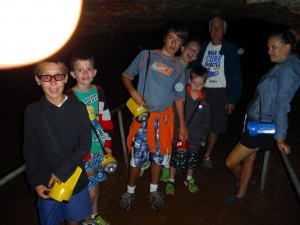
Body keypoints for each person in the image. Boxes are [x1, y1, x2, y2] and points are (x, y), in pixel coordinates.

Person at [119, 21, 189, 211]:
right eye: (171, 37)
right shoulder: (147, 55)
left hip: (164, 121)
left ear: (182, 44)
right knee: (137, 157)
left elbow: (179, 97)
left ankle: (153, 190)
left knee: (159, 157)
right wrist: (133, 92)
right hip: (143, 119)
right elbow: (126, 75)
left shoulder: (179, 68)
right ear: (164, 38)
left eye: (178, 40)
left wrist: (182, 124)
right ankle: (129, 192)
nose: (173, 43)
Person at [224, 29, 300, 205]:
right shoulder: (283, 66)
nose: (269, 51)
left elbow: (282, 102)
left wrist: (280, 137)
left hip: (262, 125)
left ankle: (240, 179)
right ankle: (241, 195)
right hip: (258, 121)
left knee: (230, 162)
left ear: (287, 47)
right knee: (249, 159)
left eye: (274, 47)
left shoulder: (288, 69)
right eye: (268, 47)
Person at [23, 58, 92, 225]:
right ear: (38, 80)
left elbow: (85, 144)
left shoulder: (79, 108)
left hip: (75, 180)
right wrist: (36, 181)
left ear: (66, 77)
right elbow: (29, 150)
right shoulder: (33, 111)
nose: (53, 82)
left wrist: (62, 171)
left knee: (74, 220)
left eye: (58, 76)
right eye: (46, 77)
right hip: (46, 181)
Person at [65, 52, 113, 225]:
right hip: (84, 152)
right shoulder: (69, 96)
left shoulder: (99, 91)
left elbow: (105, 117)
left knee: (96, 183)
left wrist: (106, 142)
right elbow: (69, 130)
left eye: (88, 69)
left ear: (94, 72)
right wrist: (80, 157)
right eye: (80, 70)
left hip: (99, 147)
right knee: (89, 192)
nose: (85, 73)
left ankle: (93, 216)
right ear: (72, 74)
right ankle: (87, 222)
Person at [191, 16, 243, 169]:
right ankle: (190, 152)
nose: (216, 30)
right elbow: (192, 67)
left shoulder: (230, 49)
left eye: (219, 28)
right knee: (195, 122)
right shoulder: (202, 47)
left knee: (215, 126)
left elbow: (236, 75)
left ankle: (207, 155)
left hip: (220, 93)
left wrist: (232, 99)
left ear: (224, 31)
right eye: (213, 27)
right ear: (209, 30)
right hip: (202, 91)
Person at [160, 37, 201, 182]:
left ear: (196, 57)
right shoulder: (169, 64)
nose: (192, 52)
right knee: (163, 142)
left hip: (178, 114)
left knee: (173, 142)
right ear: (183, 48)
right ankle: (164, 167)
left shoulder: (191, 75)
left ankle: (167, 169)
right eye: (190, 48)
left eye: (195, 52)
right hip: (163, 110)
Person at [165, 66, 210, 195]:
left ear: (204, 84)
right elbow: (174, 113)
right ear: (189, 81)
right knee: (176, 157)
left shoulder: (205, 102)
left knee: (192, 158)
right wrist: (175, 131)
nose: (196, 86)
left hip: (195, 136)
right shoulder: (182, 97)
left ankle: (189, 179)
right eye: (194, 82)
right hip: (180, 134)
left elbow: (206, 121)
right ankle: (171, 180)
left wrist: (203, 138)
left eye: (200, 84)